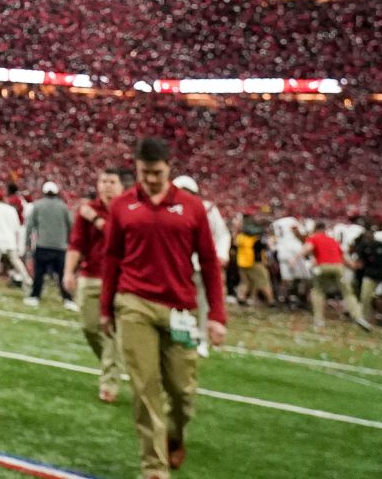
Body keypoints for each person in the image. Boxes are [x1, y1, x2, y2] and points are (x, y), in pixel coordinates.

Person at [101, 137, 226, 479]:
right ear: (136, 168)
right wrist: (105, 307)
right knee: (145, 388)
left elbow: (210, 265)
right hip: (134, 303)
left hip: (180, 309)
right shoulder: (123, 206)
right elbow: (111, 258)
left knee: (182, 393)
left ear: (169, 168)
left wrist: (216, 315)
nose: (151, 179)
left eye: (156, 172)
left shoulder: (192, 208)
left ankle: (175, 434)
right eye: (144, 172)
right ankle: (153, 467)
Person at [63, 166, 127, 402]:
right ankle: (113, 365)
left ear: (121, 186)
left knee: (110, 330)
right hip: (90, 275)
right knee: (89, 328)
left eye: (111, 181)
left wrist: (99, 221)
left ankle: (109, 382)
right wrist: (69, 271)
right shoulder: (87, 210)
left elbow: (120, 240)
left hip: (120, 278)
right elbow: (76, 243)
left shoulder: (127, 210)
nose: (106, 185)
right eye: (103, 181)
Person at [171, 175, 230, 355]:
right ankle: (176, 336)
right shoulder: (167, 208)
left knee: (204, 304)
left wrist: (221, 255)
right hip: (177, 265)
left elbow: (222, 234)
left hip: (200, 264)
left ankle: (202, 340)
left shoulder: (207, 210)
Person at [301, 226, 371, 331]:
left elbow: (307, 248)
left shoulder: (314, 237)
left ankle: (319, 319)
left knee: (318, 291)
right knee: (348, 293)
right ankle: (358, 316)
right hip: (338, 267)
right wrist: (353, 266)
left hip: (322, 267)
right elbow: (344, 258)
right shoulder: (333, 240)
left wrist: (296, 258)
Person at [24, 180, 74, 308]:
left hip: (43, 244)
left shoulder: (38, 205)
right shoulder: (63, 206)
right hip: (60, 246)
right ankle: (67, 299)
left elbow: (30, 226)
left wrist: (28, 243)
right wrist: (69, 241)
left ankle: (35, 296)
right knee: (61, 274)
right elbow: (70, 225)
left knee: (39, 273)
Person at [233, 218, 274, 306]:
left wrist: (236, 229)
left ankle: (241, 298)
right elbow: (266, 248)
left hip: (242, 263)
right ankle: (270, 300)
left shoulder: (241, 238)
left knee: (245, 282)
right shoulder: (256, 240)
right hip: (254, 263)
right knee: (264, 281)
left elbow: (235, 242)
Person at [352, 226, 382, 324]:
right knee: (365, 298)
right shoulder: (362, 248)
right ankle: (363, 319)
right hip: (370, 275)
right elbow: (359, 263)